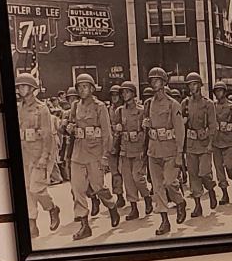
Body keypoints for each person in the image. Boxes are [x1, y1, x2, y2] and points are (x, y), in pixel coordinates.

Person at [64, 72, 115, 240]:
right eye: (79, 87)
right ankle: (84, 225)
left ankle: (111, 206)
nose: (82, 89)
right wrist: (69, 128)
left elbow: (107, 133)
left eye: (85, 86)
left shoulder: (100, 107)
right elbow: (71, 124)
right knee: (77, 188)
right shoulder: (75, 106)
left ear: (92, 89)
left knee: (98, 186)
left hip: (95, 153)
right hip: (78, 153)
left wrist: (105, 156)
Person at [14, 71, 60, 238]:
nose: (21, 89)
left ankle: (52, 208)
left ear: (32, 88)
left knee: (36, 188)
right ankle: (32, 224)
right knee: (27, 190)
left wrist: (44, 157)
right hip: (24, 154)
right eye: (19, 86)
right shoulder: (19, 108)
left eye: (24, 86)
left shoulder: (42, 109)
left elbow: (48, 136)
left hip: (39, 154)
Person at [143, 66, 188, 237]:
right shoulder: (148, 104)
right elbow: (146, 124)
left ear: (164, 82)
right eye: (152, 80)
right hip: (153, 150)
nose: (154, 83)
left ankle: (180, 202)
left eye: (157, 80)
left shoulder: (173, 104)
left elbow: (180, 131)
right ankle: (164, 221)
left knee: (170, 183)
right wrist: (145, 125)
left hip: (170, 151)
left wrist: (180, 154)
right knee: (157, 187)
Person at [113, 79, 150, 222]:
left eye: (127, 92)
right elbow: (115, 128)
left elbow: (146, 131)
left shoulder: (141, 111)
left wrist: (145, 148)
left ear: (133, 94)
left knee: (137, 177)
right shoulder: (120, 111)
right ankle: (134, 207)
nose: (124, 94)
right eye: (123, 92)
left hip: (138, 148)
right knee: (128, 179)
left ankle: (146, 197)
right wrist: (117, 129)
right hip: (125, 149)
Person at [181, 72, 217, 218]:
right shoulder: (185, 103)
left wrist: (210, 144)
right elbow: (181, 125)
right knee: (193, 175)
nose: (192, 87)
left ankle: (211, 190)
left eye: (194, 84)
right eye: (190, 85)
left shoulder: (208, 104)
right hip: (191, 144)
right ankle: (198, 206)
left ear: (200, 86)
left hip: (204, 144)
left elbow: (213, 126)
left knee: (204, 173)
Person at [210, 83, 232, 203]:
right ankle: (224, 194)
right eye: (216, 91)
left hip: (229, 141)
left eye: (220, 91)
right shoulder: (212, 106)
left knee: (229, 165)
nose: (218, 93)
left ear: (224, 92)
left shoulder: (231, 106)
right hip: (216, 141)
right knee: (219, 169)